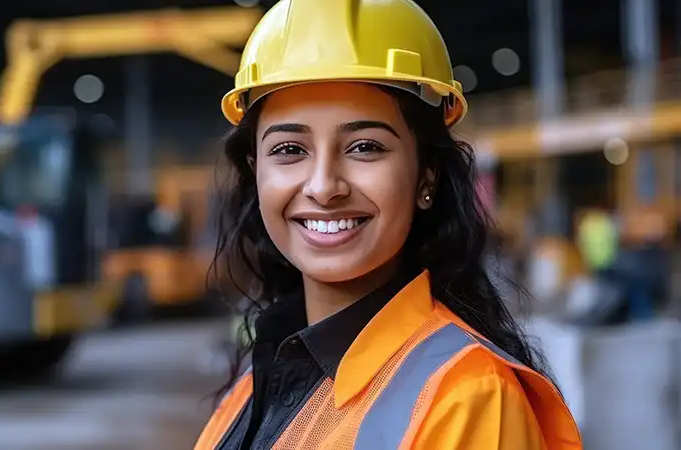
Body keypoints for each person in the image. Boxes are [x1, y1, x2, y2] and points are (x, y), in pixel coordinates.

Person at [195, 1, 583, 449]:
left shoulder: (469, 398)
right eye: (289, 150)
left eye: (364, 146)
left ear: (427, 176)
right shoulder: (261, 380)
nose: (324, 187)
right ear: (255, 170)